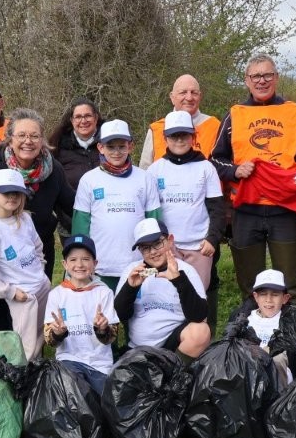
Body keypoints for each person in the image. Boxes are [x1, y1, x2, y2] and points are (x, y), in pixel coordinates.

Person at [211, 53, 296, 300]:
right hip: (246, 210)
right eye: (256, 76)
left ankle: (290, 330)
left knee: (288, 283)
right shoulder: (234, 115)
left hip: (285, 209)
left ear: (276, 78)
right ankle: (250, 330)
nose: (262, 81)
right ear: (247, 80)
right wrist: (234, 170)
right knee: (249, 284)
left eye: (267, 74)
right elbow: (215, 160)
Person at [0, 108, 75, 279]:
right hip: (3, 258)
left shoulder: (53, 169)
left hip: (39, 253)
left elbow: (72, 205)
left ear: (42, 140)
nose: (28, 141)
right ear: (10, 139)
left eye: (34, 136)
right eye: (21, 135)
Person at [73, 120, 163, 290]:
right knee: (104, 315)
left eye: (121, 146)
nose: (116, 152)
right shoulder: (89, 180)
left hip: (138, 264)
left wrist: (155, 259)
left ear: (130, 146)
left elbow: (154, 222)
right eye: (110, 147)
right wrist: (83, 259)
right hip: (101, 266)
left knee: (137, 314)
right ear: (100, 148)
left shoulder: (144, 178)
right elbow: (80, 226)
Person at [0, 169, 52, 361]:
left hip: (41, 287)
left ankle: (39, 374)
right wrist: (11, 292)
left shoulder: (25, 218)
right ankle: (24, 381)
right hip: (23, 296)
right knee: (26, 344)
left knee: (43, 333)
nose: (12, 197)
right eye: (6, 192)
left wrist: (40, 270)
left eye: (16, 192)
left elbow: (37, 246)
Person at [146, 110, 225, 290]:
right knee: (167, 293)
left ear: (193, 137)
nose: (179, 140)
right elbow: (150, 212)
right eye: (174, 136)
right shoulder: (155, 170)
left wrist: (213, 238)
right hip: (166, 247)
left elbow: (217, 208)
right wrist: (155, 244)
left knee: (197, 294)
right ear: (165, 138)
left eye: (184, 135)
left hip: (199, 246)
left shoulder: (206, 168)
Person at [115, 219, 211, 364]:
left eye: (157, 244)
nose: (153, 252)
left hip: (173, 346)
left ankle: (174, 375)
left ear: (170, 240)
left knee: (201, 331)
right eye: (145, 248)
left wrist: (179, 281)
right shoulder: (132, 271)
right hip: (139, 348)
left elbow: (199, 316)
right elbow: (119, 315)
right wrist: (131, 288)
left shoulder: (186, 270)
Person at [43, 235, 120, 395]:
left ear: (95, 264)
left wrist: (102, 329)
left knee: (104, 404)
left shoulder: (104, 292)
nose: (79, 264)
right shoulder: (57, 294)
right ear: (64, 264)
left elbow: (111, 338)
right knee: (76, 397)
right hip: (68, 361)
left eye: (86, 259)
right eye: (73, 260)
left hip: (99, 364)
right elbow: (50, 341)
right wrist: (58, 333)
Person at [138, 74, 221, 168]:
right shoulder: (156, 129)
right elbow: (144, 170)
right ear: (172, 97)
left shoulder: (216, 127)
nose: (189, 98)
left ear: (200, 96)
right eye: (183, 92)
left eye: (194, 92)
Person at [245, 270, 295, 387]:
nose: (269, 300)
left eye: (275, 294)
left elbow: (295, 354)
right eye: (263, 294)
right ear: (255, 297)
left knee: (278, 359)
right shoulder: (245, 318)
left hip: (278, 377)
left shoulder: (289, 321)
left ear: (285, 298)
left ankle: (280, 398)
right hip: (248, 373)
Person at [48, 97, 103, 192]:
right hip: (70, 205)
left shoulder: (109, 143)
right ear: (72, 120)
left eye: (88, 115)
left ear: (96, 117)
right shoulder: (57, 146)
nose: (83, 121)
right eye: (78, 117)